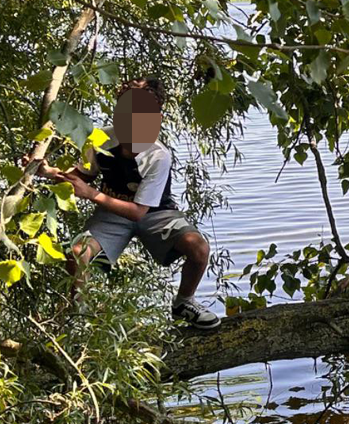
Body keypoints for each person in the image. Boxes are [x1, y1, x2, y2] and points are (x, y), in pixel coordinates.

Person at [32, 78, 220, 330]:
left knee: (198, 248)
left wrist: (91, 194)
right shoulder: (100, 139)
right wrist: (45, 171)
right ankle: (81, 315)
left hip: (155, 213)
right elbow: (82, 177)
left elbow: (138, 212)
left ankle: (184, 302)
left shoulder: (158, 155)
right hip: (111, 212)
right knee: (76, 252)